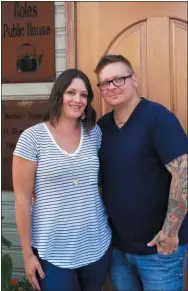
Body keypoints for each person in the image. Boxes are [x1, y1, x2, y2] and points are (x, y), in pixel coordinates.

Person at [12, 69, 112, 291]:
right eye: (71, 92)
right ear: (59, 95)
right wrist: (27, 254)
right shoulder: (32, 138)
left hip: (96, 244)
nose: (78, 100)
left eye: (84, 95)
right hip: (52, 251)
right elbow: (22, 200)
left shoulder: (93, 133)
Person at [95, 54, 188, 291]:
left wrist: (169, 232)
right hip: (118, 249)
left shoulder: (158, 118)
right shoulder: (102, 128)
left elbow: (183, 173)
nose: (112, 87)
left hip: (158, 250)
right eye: (105, 83)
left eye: (119, 79)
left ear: (134, 80)